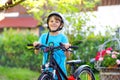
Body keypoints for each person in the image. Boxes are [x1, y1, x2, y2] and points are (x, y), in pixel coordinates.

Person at [33, 12, 71, 79]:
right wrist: (37, 46)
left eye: (57, 22)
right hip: (46, 69)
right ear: (48, 23)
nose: (54, 23)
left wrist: (66, 48)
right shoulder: (44, 36)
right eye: (51, 21)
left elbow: (68, 56)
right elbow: (36, 52)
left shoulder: (63, 37)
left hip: (60, 69)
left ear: (61, 25)